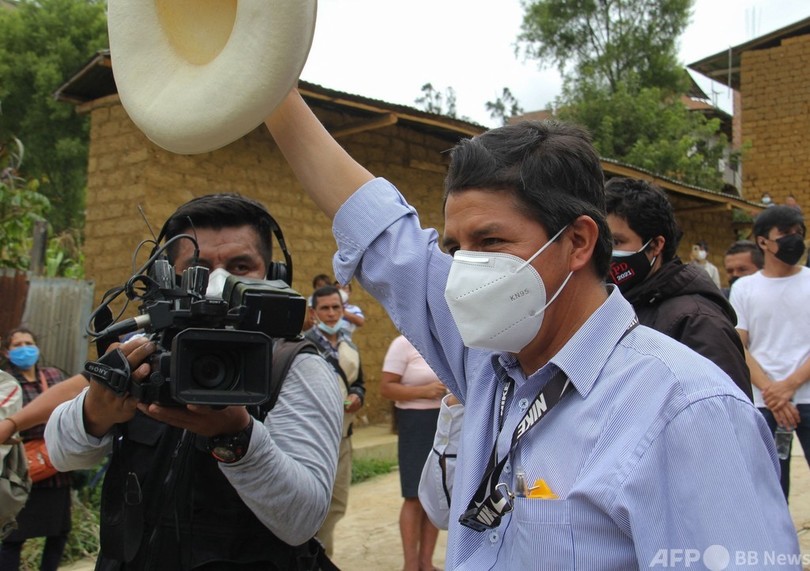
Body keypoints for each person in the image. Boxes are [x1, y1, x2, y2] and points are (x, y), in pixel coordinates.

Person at [265, 89, 798, 569]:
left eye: (491, 242)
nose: (465, 271)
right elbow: (378, 229)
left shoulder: (687, 413)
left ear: (579, 243)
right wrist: (265, 87)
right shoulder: (488, 358)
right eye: (456, 248)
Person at [45, 194, 343, 570]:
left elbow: (302, 520)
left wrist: (237, 438)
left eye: (240, 265)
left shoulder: (294, 367)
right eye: (198, 267)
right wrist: (94, 412)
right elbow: (61, 453)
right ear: (164, 277)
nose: (218, 282)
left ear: (273, 275)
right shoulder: (142, 354)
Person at [605, 178, 752, 399]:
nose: (606, 254)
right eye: (602, 243)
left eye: (617, 242)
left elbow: (729, 415)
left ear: (655, 246)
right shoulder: (622, 306)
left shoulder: (698, 321)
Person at [730, 205, 810, 501]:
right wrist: (771, 392)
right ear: (763, 241)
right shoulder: (744, 288)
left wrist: (786, 387)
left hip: (804, 396)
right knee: (773, 492)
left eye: (798, 233)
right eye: (785, 234)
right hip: (765, 404)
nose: (795, 239)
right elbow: (740, 345)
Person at [0, 328, 71, 571]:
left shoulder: (53, 377)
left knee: (58, 532)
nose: (25, 348)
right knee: (13, 538)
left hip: (55, 469)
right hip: (21, 470)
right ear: (7, 352)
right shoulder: (7, 384)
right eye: (17, 344)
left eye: (29, 343)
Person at [304, 285, 365, 558]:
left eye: (336, 308)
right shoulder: (303, 345)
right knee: (311, 506)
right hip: (312, 440)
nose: (331, 314)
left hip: (343, 437)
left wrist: (356, 396)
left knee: (337, 503)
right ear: (314, 313)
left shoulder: (349, 344)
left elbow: (359, 383)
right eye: (325, 308)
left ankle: (321, 558)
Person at [380, 335, 445, 571]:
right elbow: (386, 388)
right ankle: (410, 565)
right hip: (414, 423)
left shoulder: (443, 341)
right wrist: (424, 391)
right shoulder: (402, 344)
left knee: (436, 495)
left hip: (443, 422)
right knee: (414, 496)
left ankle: (426, 563)